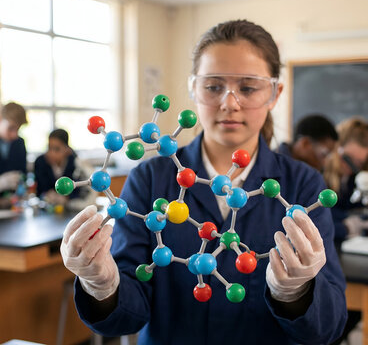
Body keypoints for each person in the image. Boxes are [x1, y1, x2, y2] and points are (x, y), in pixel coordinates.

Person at [61, 20, 347, 344]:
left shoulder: (303, 186)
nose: (229, 103)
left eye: (248, 87)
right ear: (193, 88)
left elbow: (328, 328)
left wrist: (297, 292)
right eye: (213, 86)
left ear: (274, 93)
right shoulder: (150, 179)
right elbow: (127, 316)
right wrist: (103, 285)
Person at [323, 117, 368, 345]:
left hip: (345, 253)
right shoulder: (317, 173)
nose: (352, 166)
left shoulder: (356, 178)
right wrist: (344, 226)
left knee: (357, 309)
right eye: (348, 159)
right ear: (337, 148)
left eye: (359, 163)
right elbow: (319, 220)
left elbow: (357, 209)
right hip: (325, 253)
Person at [34, 129, 96, 210]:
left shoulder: (75, 163)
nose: (52, 153)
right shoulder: (40, 162)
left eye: (57, 149)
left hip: (71, 209)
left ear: (67, 149)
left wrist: (67, 198)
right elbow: (40, 189)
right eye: (49, 148)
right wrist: (48, 195)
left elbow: (79, 188)